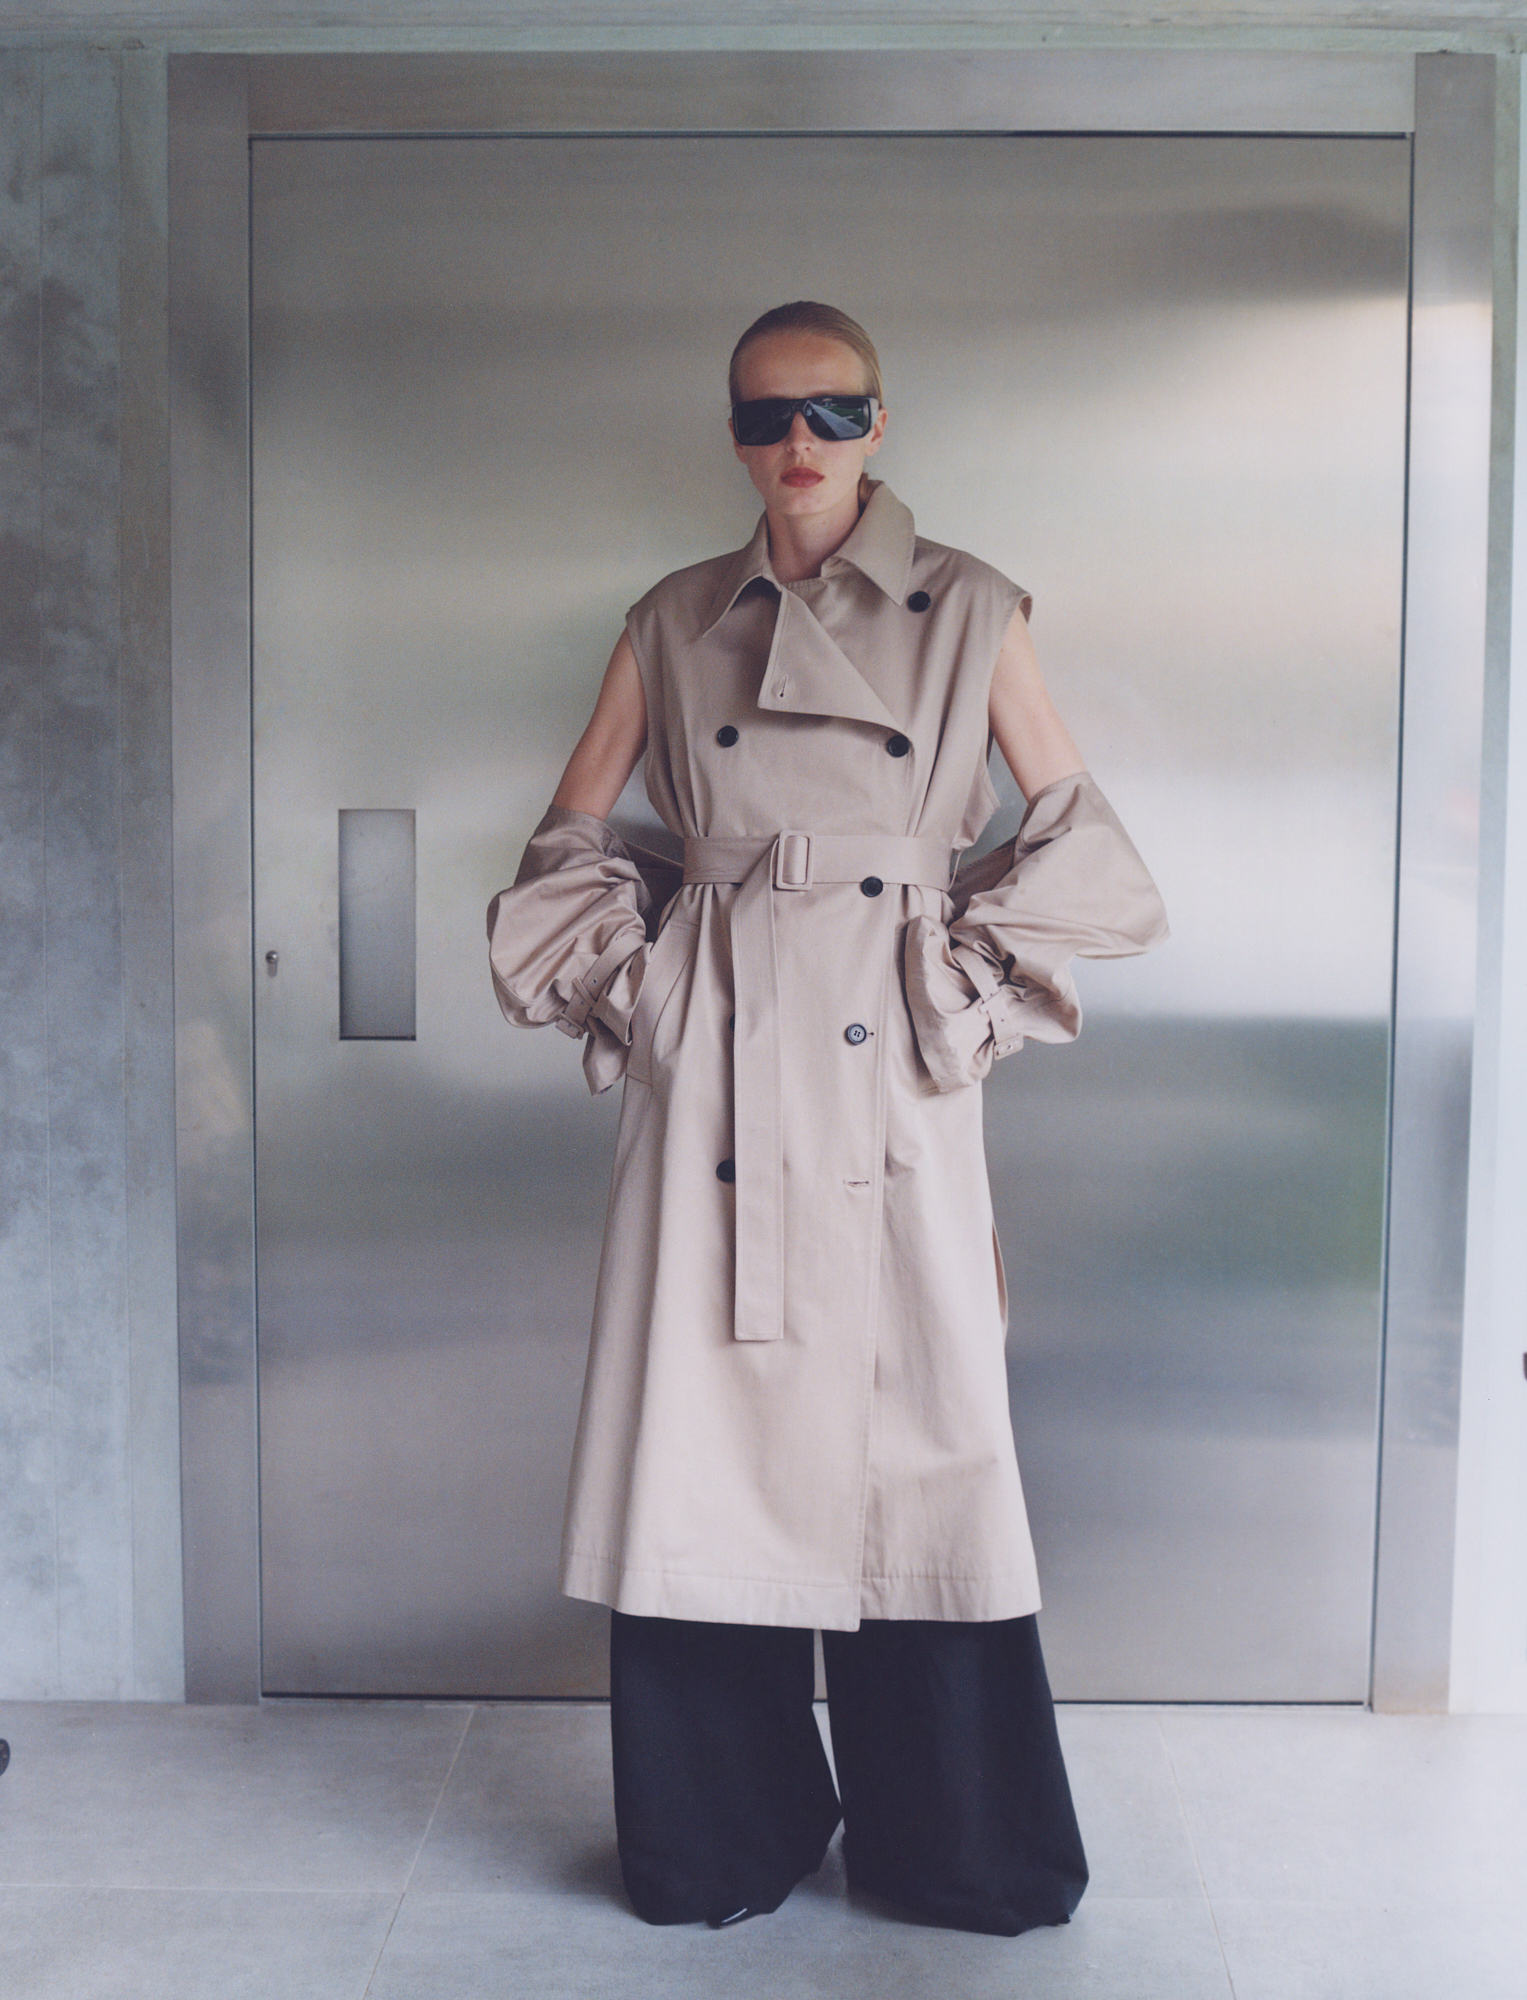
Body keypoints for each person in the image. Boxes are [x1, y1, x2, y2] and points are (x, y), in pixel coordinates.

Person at [487, 301, 1168, 1936]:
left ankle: (957, 1849)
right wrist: (653, 995)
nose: (802, 444)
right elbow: (567, 836)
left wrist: (957, 989)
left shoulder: (973, 606)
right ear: (733, 432)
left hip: (889, 1076)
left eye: (836, 412)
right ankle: (722, 1838)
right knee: (706, 1437)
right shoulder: (671, 618)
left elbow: (1080, 837)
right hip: (717, 1062)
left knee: (921, 1439)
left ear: (880, 422)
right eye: (768, 415)